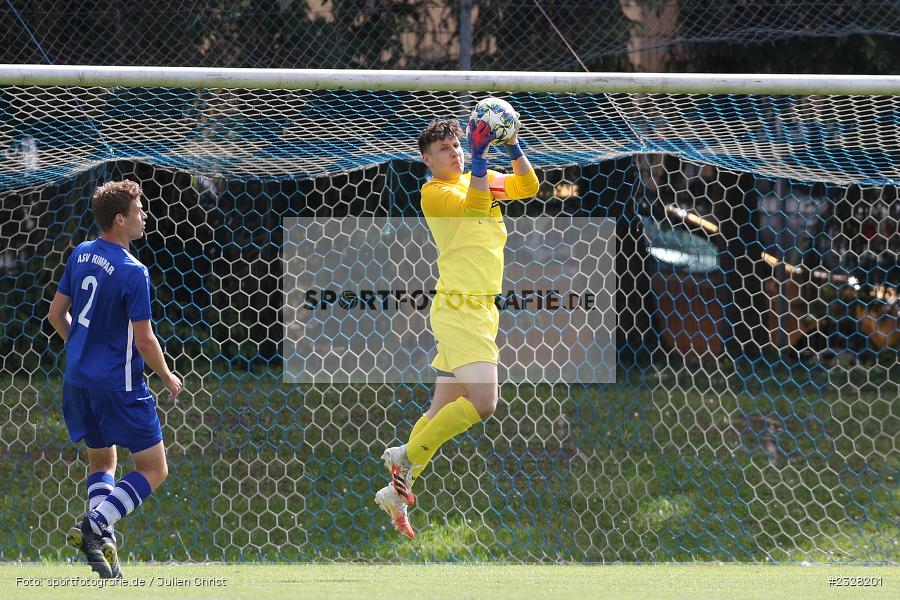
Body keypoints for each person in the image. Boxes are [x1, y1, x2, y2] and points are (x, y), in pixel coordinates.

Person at [375, 114, 539, 537]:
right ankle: (403, 457)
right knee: (484, 403)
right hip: (460, 310)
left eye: (458, 146)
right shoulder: (435, 193)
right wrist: (482, 158)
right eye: (445, 149)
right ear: (428, 160)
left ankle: (397, 490)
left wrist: (512, 143)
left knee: (440, 410)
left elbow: (528, 187)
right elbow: (477, 206)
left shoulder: (477, 176)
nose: (456, 153)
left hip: (481, 310)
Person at [46, 180, 183, 577]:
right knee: (154, 469)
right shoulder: (132, 270)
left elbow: (56, 315)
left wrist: (82, 347)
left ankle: (103, 541)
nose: (145, 216)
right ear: (120, 219)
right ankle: (94, 525)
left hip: (78, 381)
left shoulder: (81, 254)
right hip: (119, 386)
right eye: (139, 210)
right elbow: (144, 339)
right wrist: (168, 376)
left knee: (102, 460)